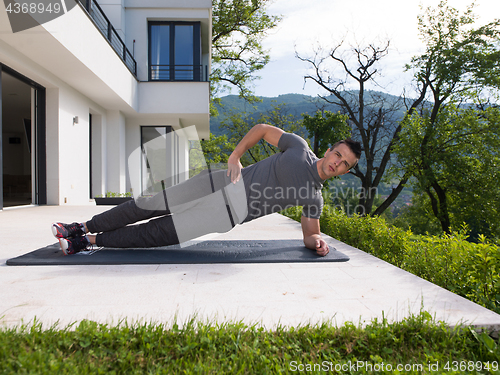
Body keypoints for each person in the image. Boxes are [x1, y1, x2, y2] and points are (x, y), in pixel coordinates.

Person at [52, 124, 361, 257]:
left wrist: (318, 243)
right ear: (330, 150)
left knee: (155, 235)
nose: (338, 163)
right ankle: (81, 226)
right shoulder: (298, 147)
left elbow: (310, 234)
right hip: (219, 182)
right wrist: (235, 156)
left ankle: (88, 241)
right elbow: (263, 130)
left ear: (345, 171)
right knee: (148, 204)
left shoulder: (313, 198)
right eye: (338, 155)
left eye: (345, 164)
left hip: (225, 215)